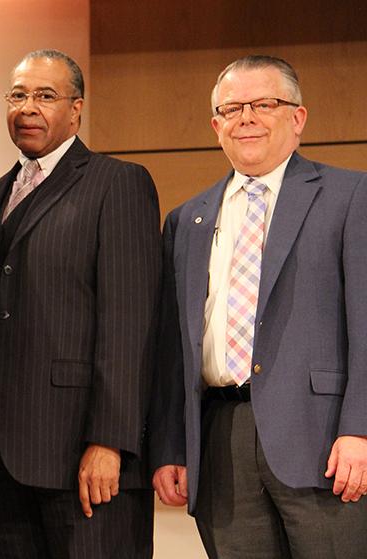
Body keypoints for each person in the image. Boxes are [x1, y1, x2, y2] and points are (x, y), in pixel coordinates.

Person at [151, 55, 367, 558]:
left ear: (297, 118)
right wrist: (171, 448)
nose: (245, 117)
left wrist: (360, 428)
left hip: (324, 441)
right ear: (215, 126)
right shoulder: (187, 220)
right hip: (220, 440)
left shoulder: (350, 195)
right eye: (231, 108)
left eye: (263, 103)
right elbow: (171, 347)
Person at [0, 49, 161, 558]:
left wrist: (110, 441)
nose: (29, 107)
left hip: (84, 458)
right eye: (18, 95)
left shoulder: (118, 183)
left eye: (46, 96)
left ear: (76, 109)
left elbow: (130, 322)